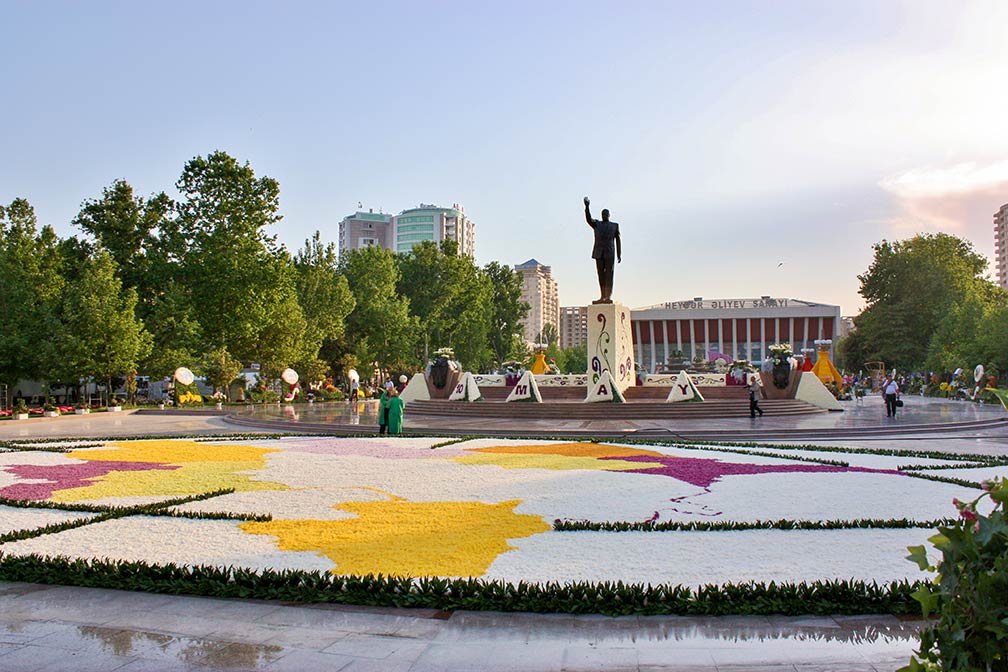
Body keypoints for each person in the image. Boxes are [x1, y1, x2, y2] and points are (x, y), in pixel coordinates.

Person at [583, 196, 621, 304]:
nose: (604, 216)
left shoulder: (614, 226)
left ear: (609, 215)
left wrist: (619, 254)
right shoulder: (597, 224)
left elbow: (618, 240)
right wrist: (587, 207)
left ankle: (608, 296)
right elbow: (588, 219)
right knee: (600, 275)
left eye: (606, 214)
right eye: (602, 214)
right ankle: (602, 296)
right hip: (599, 253)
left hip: (610, 253)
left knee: (609, 275)